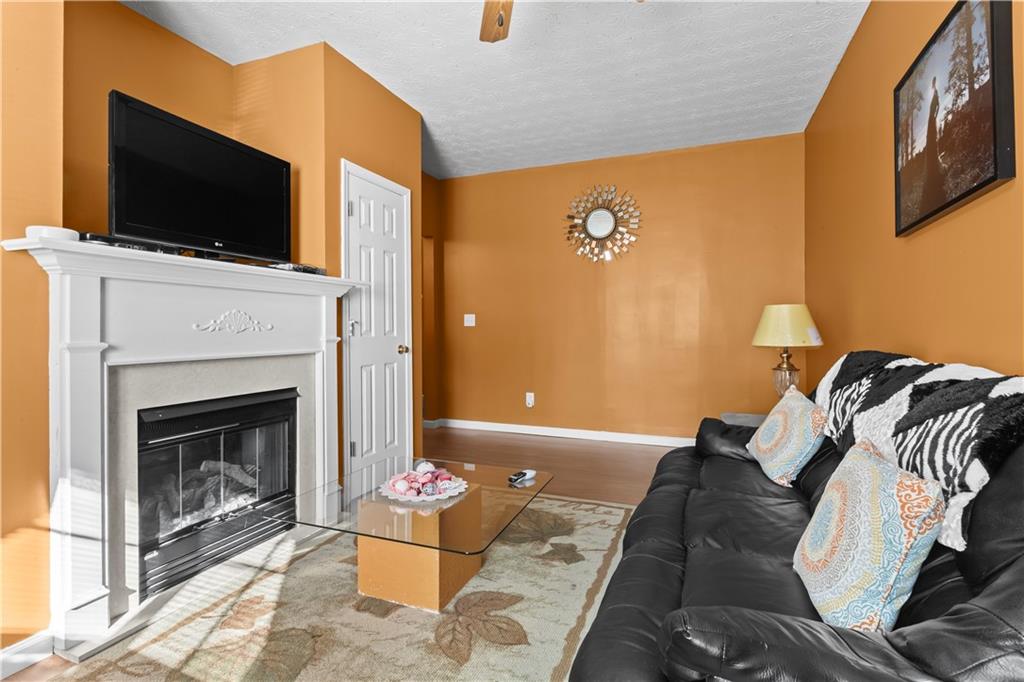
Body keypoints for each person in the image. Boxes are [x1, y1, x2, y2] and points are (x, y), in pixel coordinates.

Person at [921, 76, 946, 212]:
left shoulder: (935, 94)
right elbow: (936, 106)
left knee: (932, 142)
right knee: (931, 143)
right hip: (932, 122)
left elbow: (937, 105)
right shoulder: (934, 96)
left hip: (932, 122)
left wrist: (935, 115)